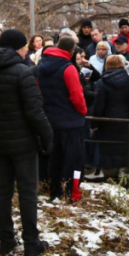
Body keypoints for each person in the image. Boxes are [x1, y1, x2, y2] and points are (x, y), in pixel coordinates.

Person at [0, 29, 53, 256]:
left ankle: (6, 240)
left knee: (3, 191)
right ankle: (31, 243)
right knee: (27, 192)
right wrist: (48, 138)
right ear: (19, 48)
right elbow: (35, 112)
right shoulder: (24, 73)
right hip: (23, 143)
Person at [37, 36, 88, 201]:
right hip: (71, 122)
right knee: (73, 160)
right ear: (72, 51)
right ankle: (71, 191)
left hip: (49, 120)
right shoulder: (68, 68)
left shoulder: (41, 66)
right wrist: (83, 112)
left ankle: (54, 190)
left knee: (54, 159)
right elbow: (77, 96)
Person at [91, 55, 129, 175]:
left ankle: (100, 171)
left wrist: (95, 122)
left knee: (105, 144)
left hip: (107, 118)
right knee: (123, 144)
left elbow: (99, 104)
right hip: (125, 115)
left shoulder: (102, 82)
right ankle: (122, 170)